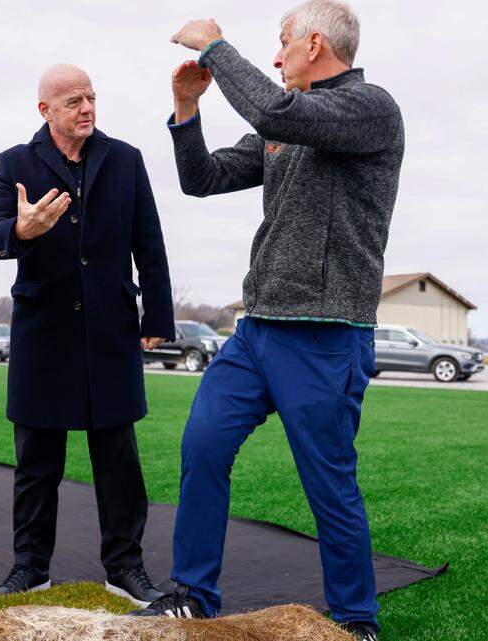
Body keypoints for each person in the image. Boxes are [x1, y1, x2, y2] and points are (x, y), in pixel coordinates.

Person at [131, 4, 403, 640]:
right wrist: (186, 109)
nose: (277, 58)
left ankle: (355, 620)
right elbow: (203, 178)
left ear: (315, 44)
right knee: (202, 445)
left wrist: (215, 48)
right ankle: (194, 595)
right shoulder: (286, 120)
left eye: (283, 45)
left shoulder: (369, 108)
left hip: (326, 334)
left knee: (328, 483)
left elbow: (277, 113)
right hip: (255, 333)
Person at [0, 63, 174, 607]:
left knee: (118, 460)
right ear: (45, 110)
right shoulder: (15, 163)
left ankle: (125, 567)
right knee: (36, 463)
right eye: (73, 101)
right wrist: (21, 229)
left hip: (111, 330)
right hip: (44, 334)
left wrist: (157, 317)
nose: (87, 108)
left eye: (91, 97)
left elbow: (149, 242)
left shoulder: (126, 160)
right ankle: (30, 567)